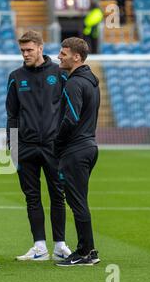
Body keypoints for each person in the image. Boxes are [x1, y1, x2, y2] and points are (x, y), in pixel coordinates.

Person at [6, 30, 72, 262]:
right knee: (32, 197)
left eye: (29, 50)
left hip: (54, 147)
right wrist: (11, 145)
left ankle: (60, 245)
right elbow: (12, 115)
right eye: (22, 50)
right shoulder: (15, 76)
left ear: (40, 48)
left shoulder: (59, 73)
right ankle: (39, 246)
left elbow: (68, 109)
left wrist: (66, 141)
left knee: (58, 195)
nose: (25, 54)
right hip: (25, 147)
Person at [54, 37, 101, 266]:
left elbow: (70, 119)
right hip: (90, 146)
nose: (58, 57)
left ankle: (83, 252)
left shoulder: (74, 83)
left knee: (77, 203)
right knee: (80, 201)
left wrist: (57, 143)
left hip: (75, 150)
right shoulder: (92, 81)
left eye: (63, 53)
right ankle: (90, 250)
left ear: (76, 57)